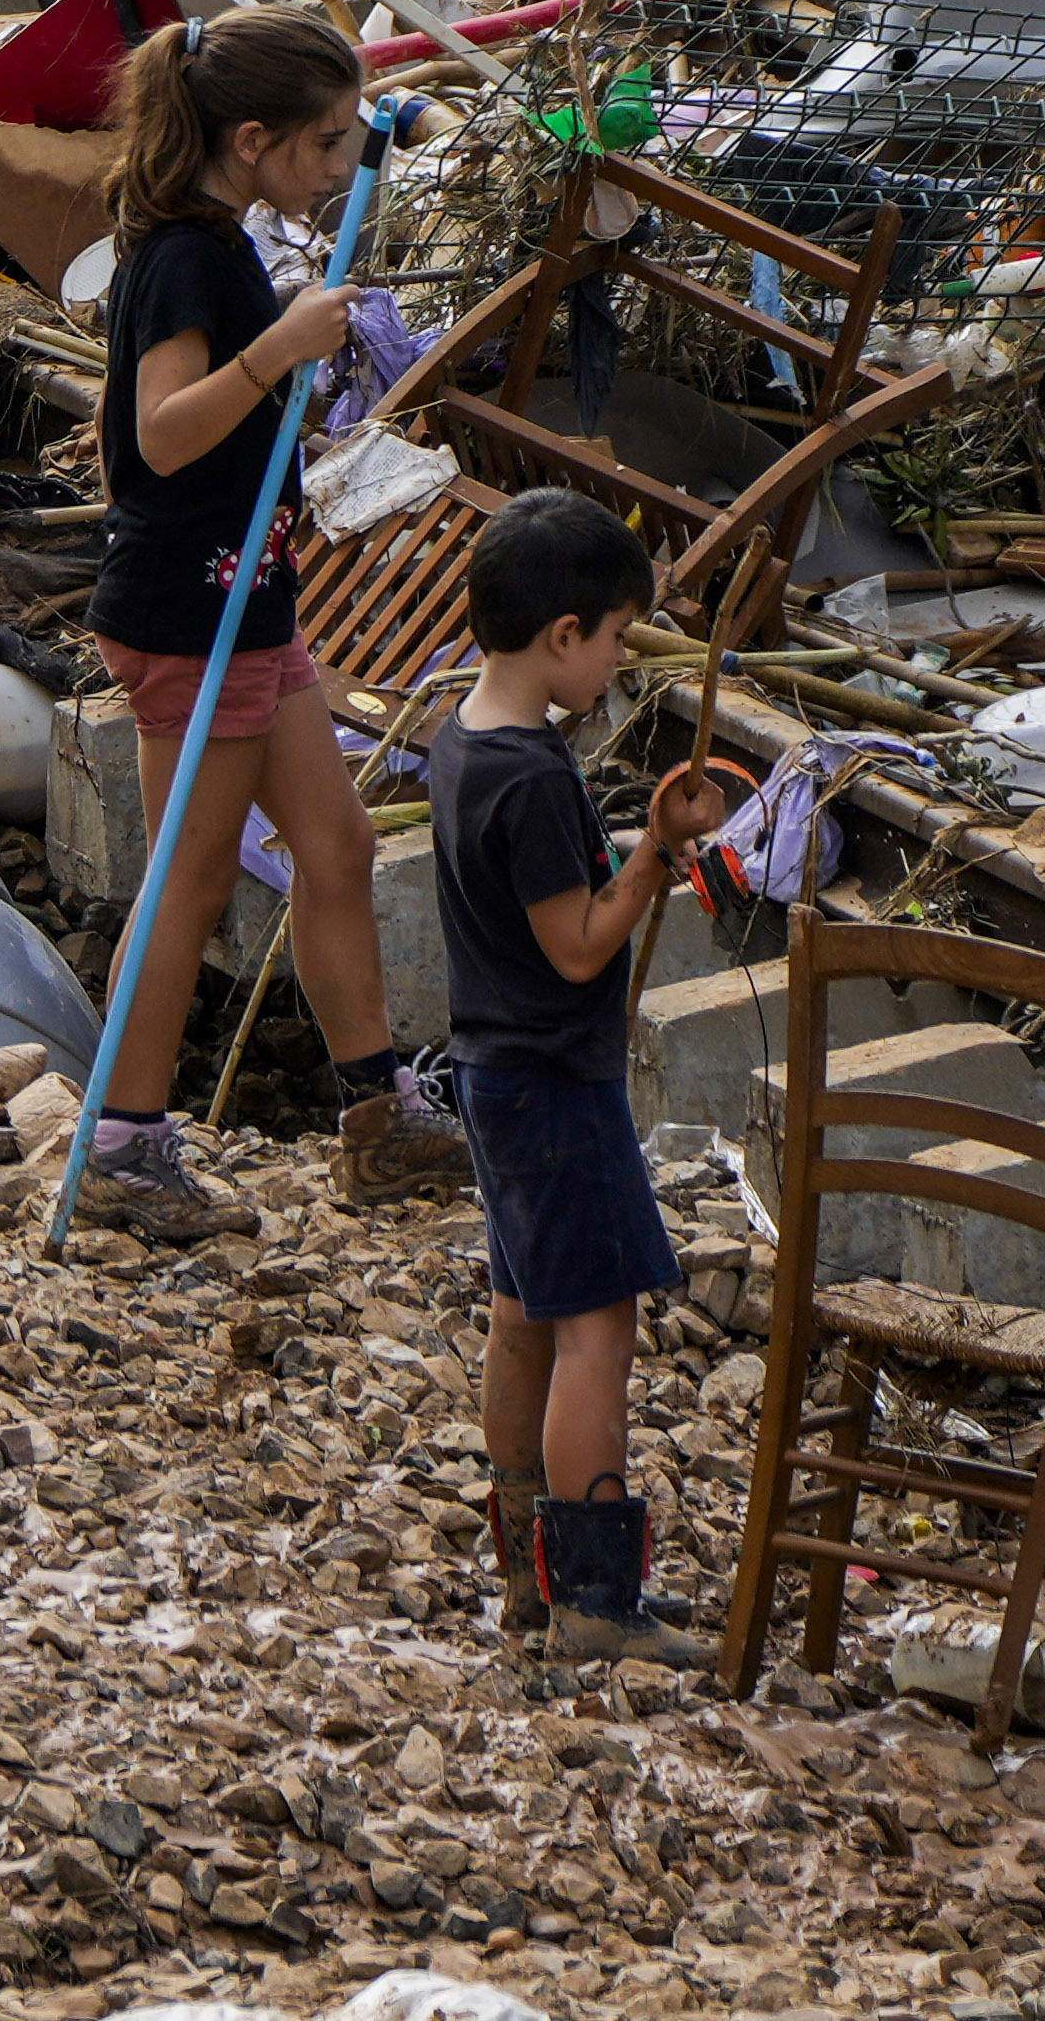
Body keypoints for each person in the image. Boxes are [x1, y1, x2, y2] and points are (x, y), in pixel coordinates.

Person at [68, 7, 469, 1248]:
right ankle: (127, 1144)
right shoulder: (185, 256)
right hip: (193, 612)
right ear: (251, 139)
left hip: (249, 598)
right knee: (187, 881)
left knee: (337, 845)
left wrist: (288, 352)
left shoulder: (219, 235)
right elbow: (157, 434)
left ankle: (376, 1115)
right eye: (327, 145)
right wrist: (276, 353)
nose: (341, 169)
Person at [434, 484, 730, 1666]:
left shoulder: (462, 739)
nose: (616, 659)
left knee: (521, 1320)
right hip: (558, 1085)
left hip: (490, 1073)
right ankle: (596, 1599)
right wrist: (656, 854)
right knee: (595, 1330)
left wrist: (632, 847)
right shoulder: (535, 777)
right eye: (613, 637)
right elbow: (576, 945)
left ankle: (521, 1576)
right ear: (564, 634)